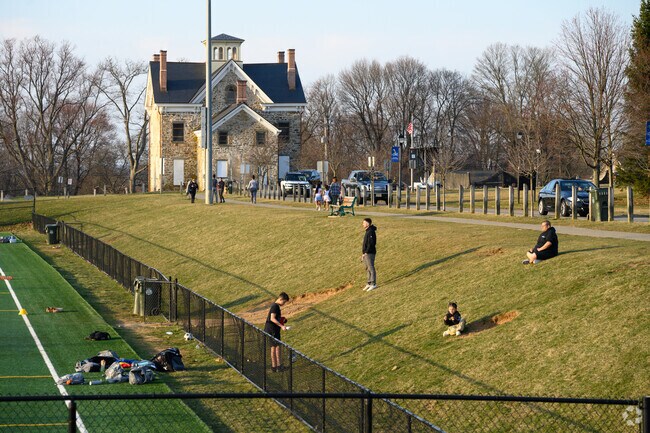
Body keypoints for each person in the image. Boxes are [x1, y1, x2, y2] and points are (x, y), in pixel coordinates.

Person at [264, 292, 290, 372]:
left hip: (270, 330)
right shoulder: (275, 306)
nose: (284, 304)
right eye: (284, 302)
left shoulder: (274, 306)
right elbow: (272, 318)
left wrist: (282, 320)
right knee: (277, 347)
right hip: (273, 330)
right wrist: (282, 326)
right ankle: (279, 366)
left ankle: (274, 367)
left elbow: (275, 317)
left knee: (273, 347)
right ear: (281, 299)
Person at [361, 218, 377, 291]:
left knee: (371, 267)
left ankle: (373, 283)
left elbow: (371, 244)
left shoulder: (371, 232)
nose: (363, 224)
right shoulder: (368, 231)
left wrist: (366, 252)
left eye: (364, 223)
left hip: (370, 253)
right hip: (366, 253)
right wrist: (363, 253)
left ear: (367, 223)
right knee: (367, 268)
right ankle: (369, 282)